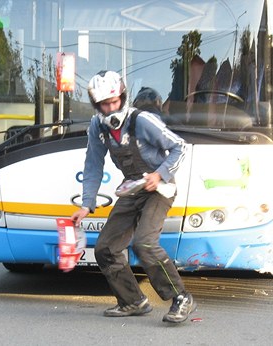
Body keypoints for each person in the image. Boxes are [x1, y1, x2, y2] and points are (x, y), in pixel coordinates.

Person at [71, 70, 196, 323]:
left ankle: (181, 298)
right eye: (104, 104)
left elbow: (180, 148)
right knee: (105, 248)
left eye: (114, 101)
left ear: (123, 97)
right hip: (133, 188)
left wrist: (159, 175)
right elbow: (93, 164)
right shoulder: (97, 126)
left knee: (144, 243)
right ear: (97, 105)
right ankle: (132, 301)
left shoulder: (142, 120)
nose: (110, 108)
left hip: (159, 189)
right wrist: (86, 204)